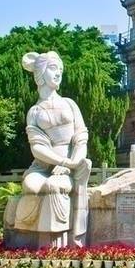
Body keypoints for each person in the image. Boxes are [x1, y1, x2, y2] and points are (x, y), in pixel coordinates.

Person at [16, 51, 92, 246]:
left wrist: (72, 164)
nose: (58, 73)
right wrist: (62, 161)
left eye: (60, 69)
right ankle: (23, 238)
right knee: (31, 186)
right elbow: (37, 148)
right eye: (53, 68)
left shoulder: (69, 104)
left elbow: (81, 138)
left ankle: (53, 246)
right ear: (40, 73)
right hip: (42, 167)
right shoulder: (34, 112)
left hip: (70, 166)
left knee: (54, 186)